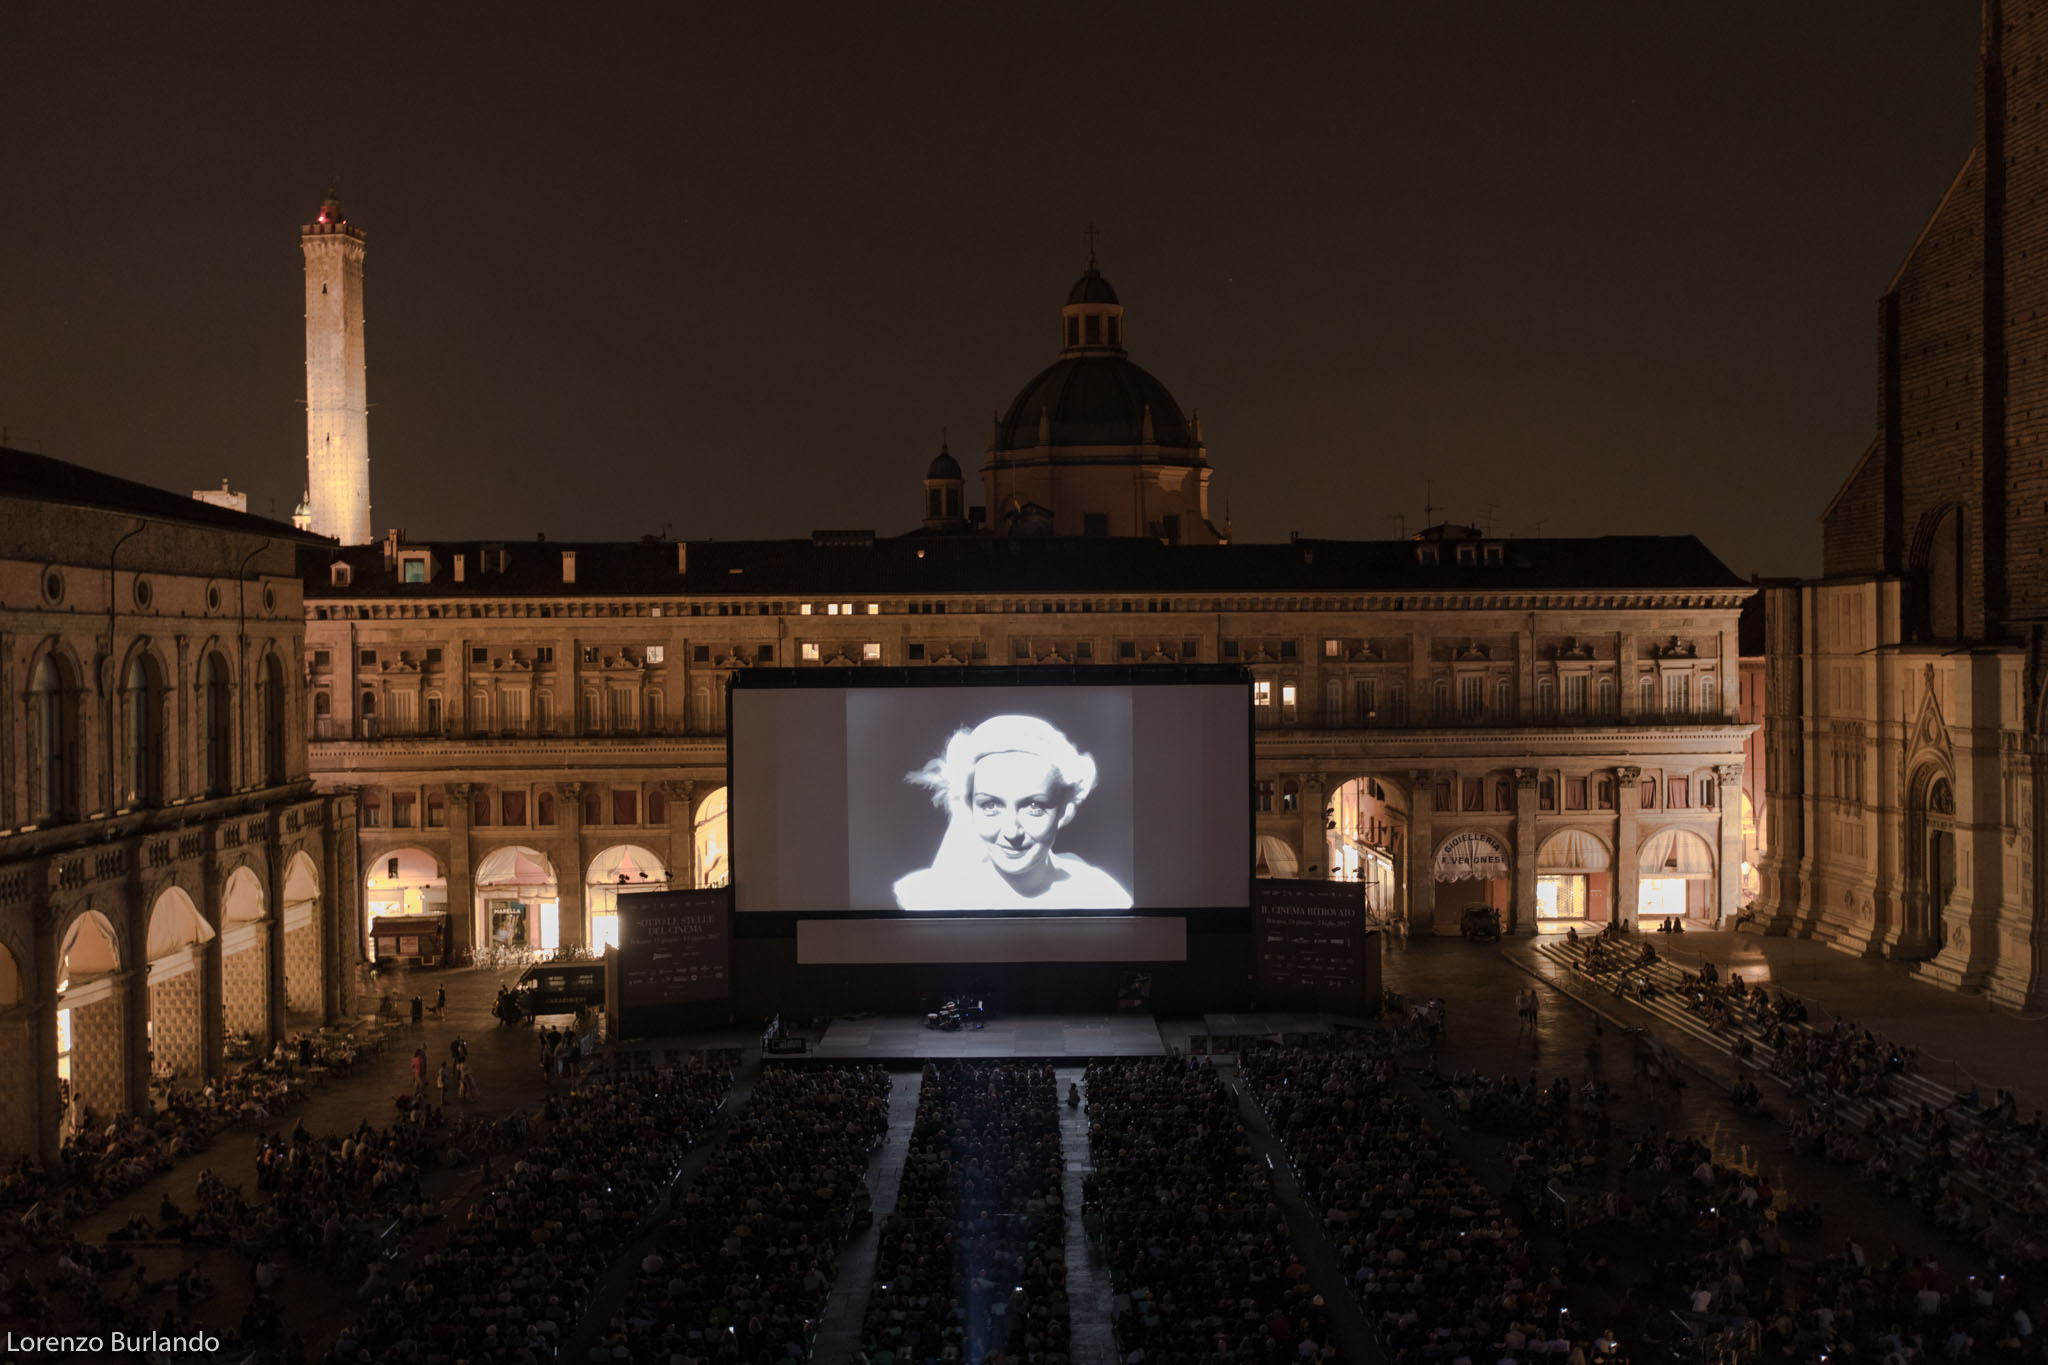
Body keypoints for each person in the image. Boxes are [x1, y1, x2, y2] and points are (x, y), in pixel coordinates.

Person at [893, 714, 1132, 910]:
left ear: (1065, 810)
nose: (1011, 831)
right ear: (969, 808)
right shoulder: (919, 897)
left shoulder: (1102, 896)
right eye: (990, 805)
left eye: (1034, 807)